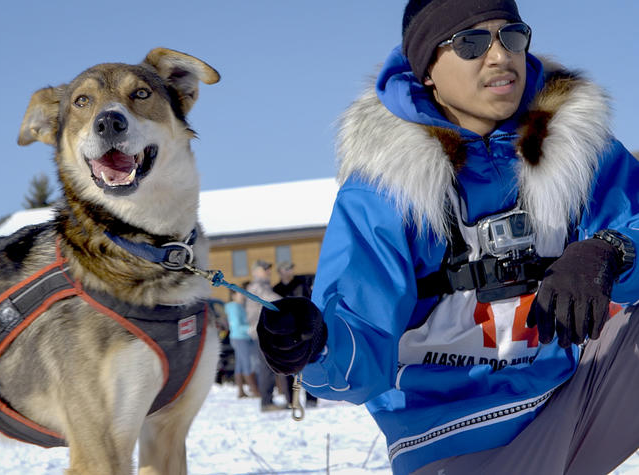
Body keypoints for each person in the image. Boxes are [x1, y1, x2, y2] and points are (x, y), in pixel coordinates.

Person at [256, 1, 639, 473]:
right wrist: (315, 344)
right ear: (429, 70)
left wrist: (611, 250)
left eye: (512, 36)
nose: (500, 56)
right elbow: (358, 341)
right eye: (471, 43)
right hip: (453, 438)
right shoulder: (386, 188)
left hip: (569, 403)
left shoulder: (576, 150)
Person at [272, 261, 318, 408]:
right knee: (289, 368)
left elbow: (311, 305)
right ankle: (292, 400)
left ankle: (311, 398)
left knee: (308, 365)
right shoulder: (276, 290)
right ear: (280, 271)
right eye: (286, 269)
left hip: (304, 332)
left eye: (291, 268)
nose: (290, 271)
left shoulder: (301, 285)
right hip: (285, 334)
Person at [245, 260, 289, 412]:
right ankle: (266, 402)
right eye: (265, 269)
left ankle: (268, 400)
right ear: (255, 271)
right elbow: (273, 300)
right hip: (261, 331)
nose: (269, 271)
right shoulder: (256, 287)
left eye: (269, 268)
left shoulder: (264, 286)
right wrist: (292, 303)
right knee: (266, 367)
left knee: (269, 366)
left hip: (266, 331)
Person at [224, 289, 261, 398]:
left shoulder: (237, 306)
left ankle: (240, 391)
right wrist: (250, 328)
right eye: (240, 293)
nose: (243, 295)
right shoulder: (235, 307)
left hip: (238, 337)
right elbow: (237, 325)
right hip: (240, 338)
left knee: (240, 364)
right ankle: (254, 390)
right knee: (246, 363)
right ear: (233, 295)